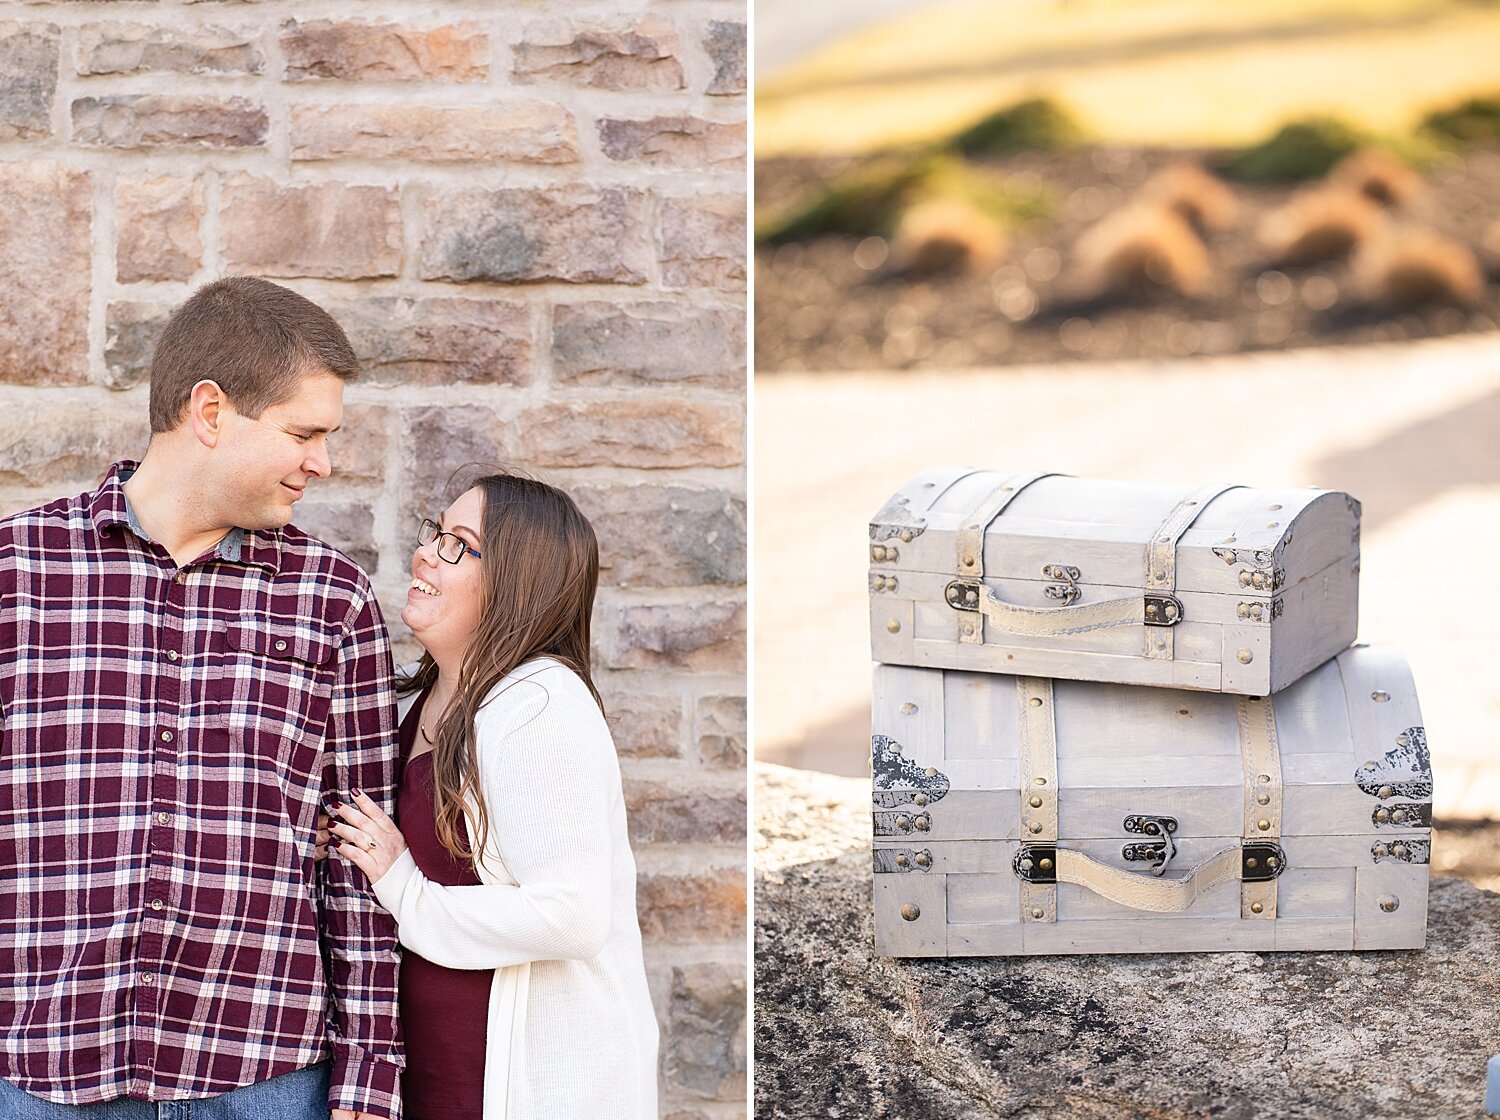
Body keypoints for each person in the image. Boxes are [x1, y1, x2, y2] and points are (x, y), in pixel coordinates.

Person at [0, 276, 403, 1120]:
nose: (322, 463)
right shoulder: (17, 574)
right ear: (210, 412)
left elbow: (360, 861)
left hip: (263, 1078)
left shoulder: (334, 602)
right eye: (304, 433)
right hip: (37, 1073)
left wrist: (371, 1074)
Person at [320, 472, 658, 1120]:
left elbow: (573, 915)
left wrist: (407, 889)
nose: (426, 554)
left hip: (524, 1093)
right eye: (435, 533)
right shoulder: (416, 706)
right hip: (429, 1080)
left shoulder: (540, 703)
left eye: (458, 545)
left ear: (516, 581)